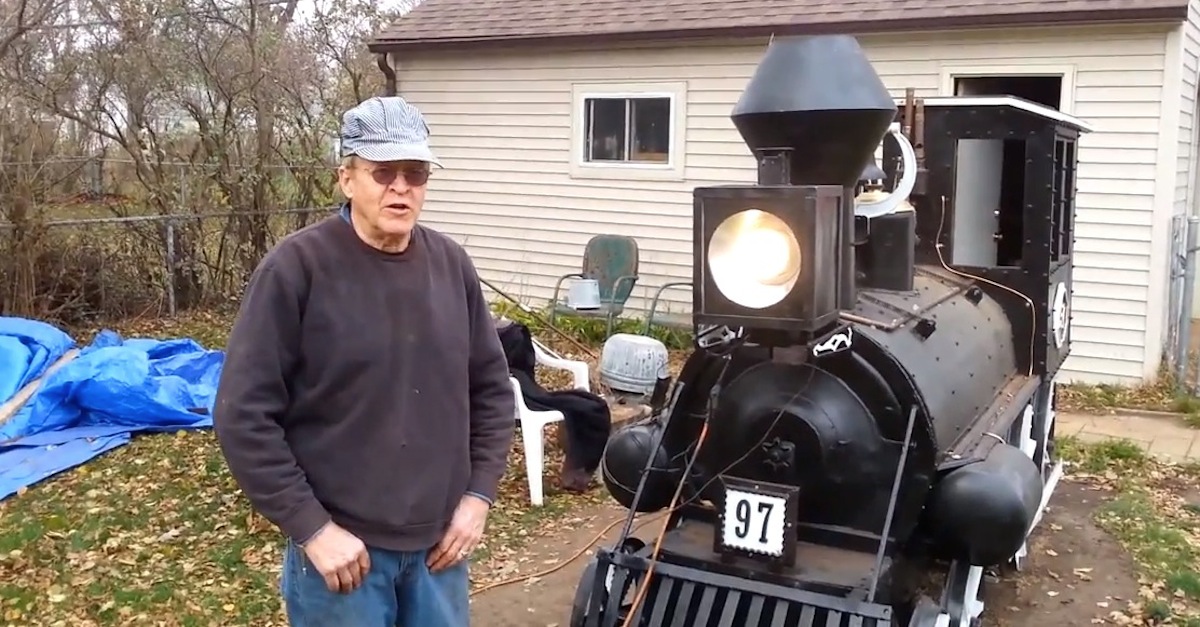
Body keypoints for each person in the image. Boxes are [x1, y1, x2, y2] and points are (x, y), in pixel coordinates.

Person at [212, 95, 516, 626]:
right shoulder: (296, 270)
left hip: (440, 552)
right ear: (346, 178)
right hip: (343, 561)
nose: (401, 187)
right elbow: (243, 415)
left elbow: (490, 390)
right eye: (383, 172)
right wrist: (312, 528)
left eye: (415, 173)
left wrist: (478, 496)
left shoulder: (452, 266)